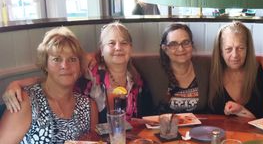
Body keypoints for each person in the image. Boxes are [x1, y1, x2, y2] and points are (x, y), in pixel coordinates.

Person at [2, 21, 152, 122]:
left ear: (130, 48)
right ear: (102, 49)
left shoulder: (137, 79)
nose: (118, 48)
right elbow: (54, 79)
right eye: (111, 43)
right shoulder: (87, 73)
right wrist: (17, 83)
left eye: (124, 43)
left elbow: (146, 118)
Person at [208, 21, 263, 118]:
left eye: (241, 48)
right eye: (228, 49)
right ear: (220, 51)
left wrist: (242, 111)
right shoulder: (210, 72)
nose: (235, 55)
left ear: (248, 49)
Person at [144, 22, 210, 114]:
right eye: (173, 44)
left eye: (186, 43)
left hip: (199, 127)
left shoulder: (206, 69)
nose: (181, 49)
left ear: (192, 45)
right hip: (167, 127)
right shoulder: (153, 72)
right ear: (165, 49)